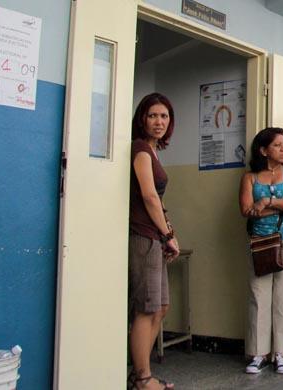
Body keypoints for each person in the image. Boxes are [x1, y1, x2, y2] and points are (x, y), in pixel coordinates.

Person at [238, 127, 283, 374]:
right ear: (263, 150)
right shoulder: (250, 177)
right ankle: (258, 353)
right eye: (277, 145)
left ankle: (280, 353)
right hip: (260, 242)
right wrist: (282, 207)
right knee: (259, 296)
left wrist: (268, 202)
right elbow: (246, 210)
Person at [128, 93, 180, 390]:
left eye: (164, 116)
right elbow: (149, 196)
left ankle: (139, 373)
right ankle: (143, 378)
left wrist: (171, 235)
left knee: (160, 308)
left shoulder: (153, 150)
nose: (159, 122)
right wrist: (166, 235)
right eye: (153, 116)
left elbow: (159, 202)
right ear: (142, 119)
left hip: (156, 236)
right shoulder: (140, 149)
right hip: (143, 237)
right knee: (146, 309)